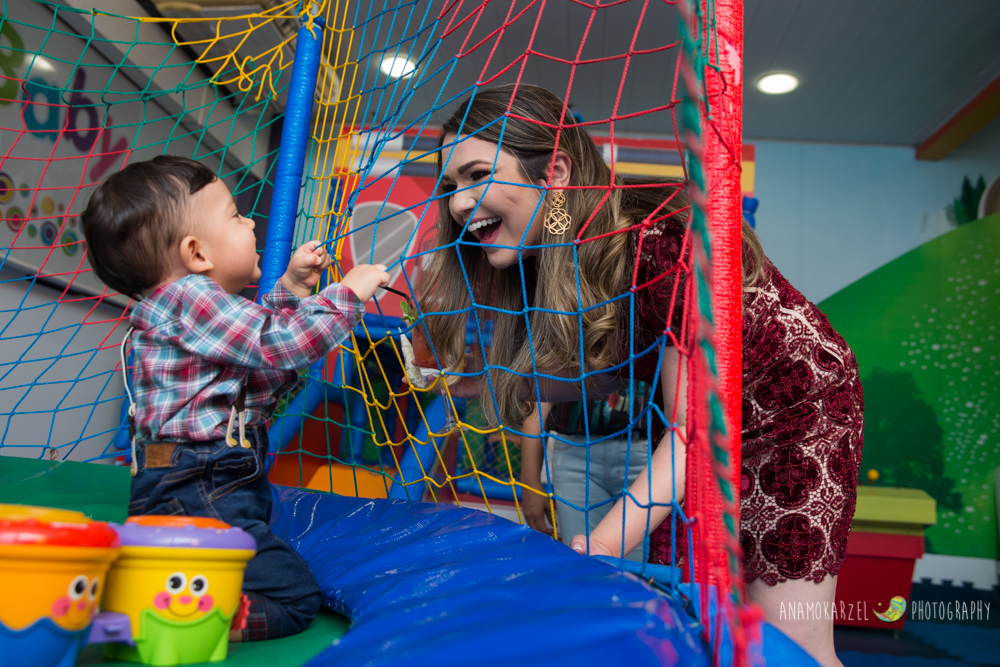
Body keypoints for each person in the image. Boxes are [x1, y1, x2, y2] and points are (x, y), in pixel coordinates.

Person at [416, 84, 862, 667]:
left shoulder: (656, 245)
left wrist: (597, 544)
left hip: (797, 414)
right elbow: (605, 378)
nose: (456, 204)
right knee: (687, 608)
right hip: (702, 425)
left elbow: (689, 433)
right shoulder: (560, 255)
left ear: (553, 172)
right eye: (451, 186)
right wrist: (477, 381)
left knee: (790, 635)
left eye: (476, 175)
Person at [81, 155, 390, 641]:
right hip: (201, 480)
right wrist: (346, 294)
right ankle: (186, 620)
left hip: (185, 478)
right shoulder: (191, 297)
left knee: (205, 560)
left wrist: (289, 289)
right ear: (197, 254)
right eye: (234, 214)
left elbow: (257, 377)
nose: (249, 221)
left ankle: (139, 594)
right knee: (293, 596)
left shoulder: (184, 308)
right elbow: (278, 345)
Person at [519, 398, 651, 562]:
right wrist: (530, 483)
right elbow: (539, 398)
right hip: (576, 450)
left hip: (646, 450)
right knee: (581, 565)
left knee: (638, 572)